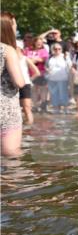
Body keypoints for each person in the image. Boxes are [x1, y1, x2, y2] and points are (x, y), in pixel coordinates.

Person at [1, 12, 27, 157]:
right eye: (14, 24)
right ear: (8, 26)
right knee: (11, 157)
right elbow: (19, 82)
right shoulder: (7, 50)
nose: (16, 27)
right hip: (6, 110)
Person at [45, 42, 70, 114]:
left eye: (59, 49)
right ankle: (56, 109)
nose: (57, 50)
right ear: (52, 49)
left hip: (63, 79)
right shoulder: (50, 57)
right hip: (52, 79)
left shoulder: (65, 57)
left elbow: (70, 66)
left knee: (63, 94)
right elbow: (46, 66)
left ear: (61, 49)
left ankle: (65, 109)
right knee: (54, 94)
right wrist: (47, 70)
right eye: (55, 49)